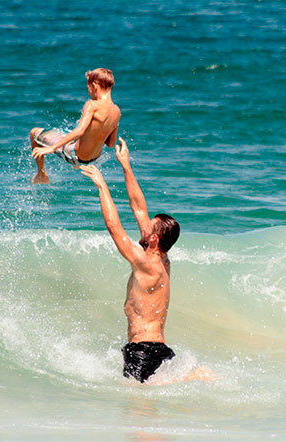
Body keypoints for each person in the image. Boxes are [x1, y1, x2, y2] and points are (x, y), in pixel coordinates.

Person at [81, 138, 212, 384]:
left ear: (152, 238)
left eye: (148, 226)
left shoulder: (144, 262)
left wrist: (102, 186)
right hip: (158, 348)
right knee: (145, 409)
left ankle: (193, 376)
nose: (143, 222)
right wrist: (126, 166)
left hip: (143, 350)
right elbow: (139, 208)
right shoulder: (162, 259)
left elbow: (113, 227)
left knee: (137, 403)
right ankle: (186, 376)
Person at [30, 68, 121, 184]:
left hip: (75, 155)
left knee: (34, 132)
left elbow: (79, 131)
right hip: (93, 158)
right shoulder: (116, 111)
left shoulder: (92, 105)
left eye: (88, 88)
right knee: (76, 130)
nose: (89, 92)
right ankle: (79, 159)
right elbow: (111, 144)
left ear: (94, 85)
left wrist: (51, 148)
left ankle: (41, 175)